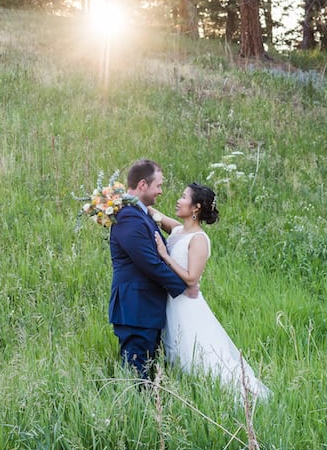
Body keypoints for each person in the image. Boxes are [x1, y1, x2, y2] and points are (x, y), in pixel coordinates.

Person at [150, 183, 270, 402]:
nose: (178, 200)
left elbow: (191, 278)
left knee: (197, 354)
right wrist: (132, 200)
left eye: (183, 197)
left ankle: (226, 395)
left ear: (195, 207)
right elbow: (157, 215)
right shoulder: (177, 230)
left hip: (187, 305)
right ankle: (185, 392)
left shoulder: (199, 239)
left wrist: (164, 256)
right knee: (177, 351)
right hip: (172, 301)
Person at [108, 159, 197, 382]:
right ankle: (135, 405)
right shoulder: (128, 217)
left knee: (146, 372)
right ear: (143, 185)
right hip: (135, 310)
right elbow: (150, 263)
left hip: (145, 309)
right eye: (158, 185)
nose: (160, 191)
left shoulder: (140, 213)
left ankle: (150, 404)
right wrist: (184, 287)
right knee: (136, 376)